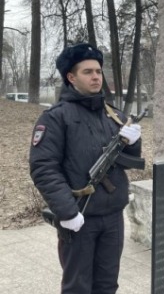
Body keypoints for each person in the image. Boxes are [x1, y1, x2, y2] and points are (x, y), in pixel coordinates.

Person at [29, 43, 142, 293]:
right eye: (87, 72)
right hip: (79, 219)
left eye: (98, 71)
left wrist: (134, 141)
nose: (95, 77)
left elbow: (129, 159)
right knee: (78, 287)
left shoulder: (113, 115)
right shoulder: (56, 117)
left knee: (107, 284)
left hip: (113, 217)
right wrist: (67, 213)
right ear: (71, 77)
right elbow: (43, 168)